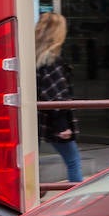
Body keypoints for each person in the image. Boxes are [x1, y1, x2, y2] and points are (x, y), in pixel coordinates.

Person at [34, 12, 82, 183]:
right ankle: (78, 203)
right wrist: (62, 126)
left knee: (32, 162)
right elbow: (57, 96)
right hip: (55, 121)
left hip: (38, 121)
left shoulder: (35, 57)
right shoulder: (52, 61)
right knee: (73, 161)